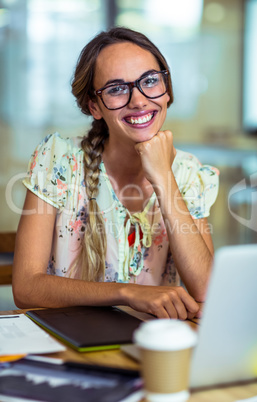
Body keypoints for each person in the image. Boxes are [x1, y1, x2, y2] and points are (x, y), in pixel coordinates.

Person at [12, 27, 219, 320]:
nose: (138, 100)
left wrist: (163, 178)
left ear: (167, 88)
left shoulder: (188, 173)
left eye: (149, 81)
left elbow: (207, 292)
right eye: (117, 88)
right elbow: (26, 288)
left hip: (151, 344)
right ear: (94, 106)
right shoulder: (59, 159)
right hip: (71, 340)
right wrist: (126, 292)